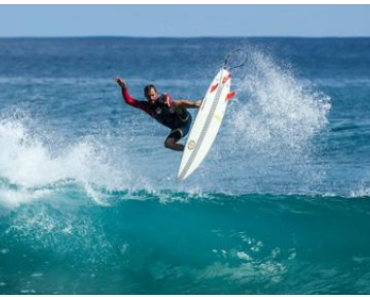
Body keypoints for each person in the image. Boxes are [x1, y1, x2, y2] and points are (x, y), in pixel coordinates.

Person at [115, 77, 202, 151]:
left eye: (152, 95)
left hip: (184, 119)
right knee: (168, 144)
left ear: (156, 94)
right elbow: (129, 101)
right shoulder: (146, 107)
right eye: (148, 96)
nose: (151, 98)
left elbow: (166, 95)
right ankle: (187, 150)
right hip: (179, 128)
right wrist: (123, 87)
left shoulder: (161, 99)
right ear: (145, 96)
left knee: (176, 103)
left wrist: (167, 100)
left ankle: (196, 105)